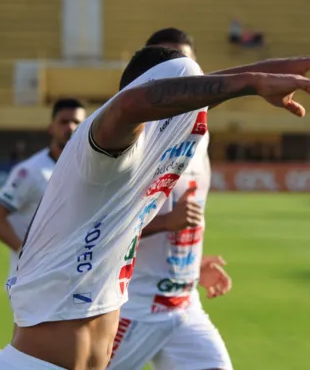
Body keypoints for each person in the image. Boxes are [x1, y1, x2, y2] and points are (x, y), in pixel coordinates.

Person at [0, 46, 310, 370]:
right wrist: (253, 81)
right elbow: (134, 103)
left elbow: (195, 93)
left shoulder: (148, 150)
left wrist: (277, 71)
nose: (190, 118)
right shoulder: (104, 146)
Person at [107, 28, 232, 370]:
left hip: (184, 305)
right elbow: (99, 227)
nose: (179, 78)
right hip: (133, 308)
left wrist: (192, 266)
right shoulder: (126, 139)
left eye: (186, 67)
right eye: (167, 67)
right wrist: (164, 224)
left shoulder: (199, 134)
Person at [0, 98, 87, 370]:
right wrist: (27, 252)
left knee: (47, 356)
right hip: (31, 277)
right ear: (51, 127)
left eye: (77, 122)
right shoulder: (31, 171)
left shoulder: (85, 169)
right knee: (41, 355)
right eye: (64, 121)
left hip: (71, 275)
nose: (70, 127)